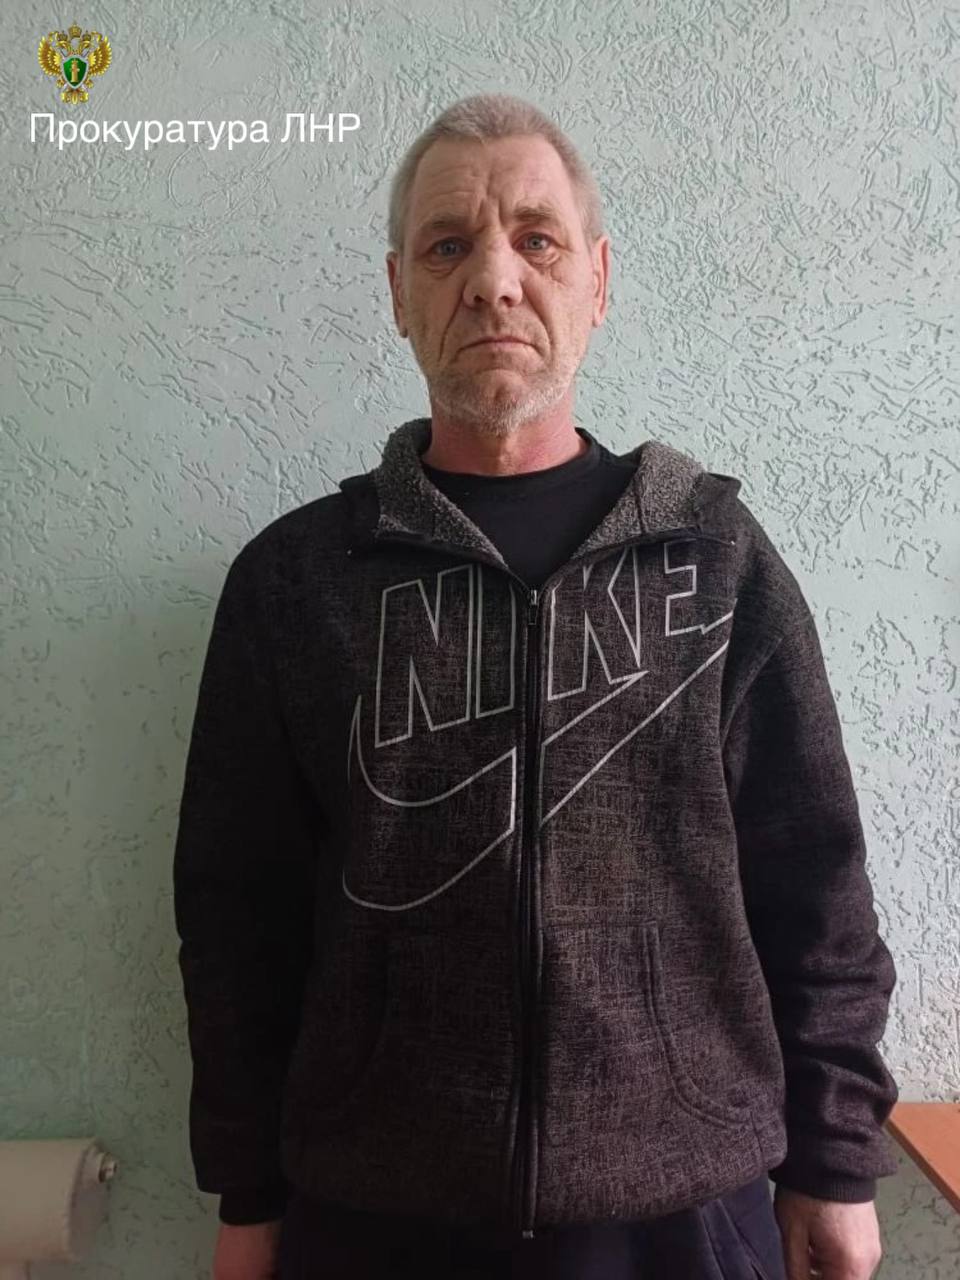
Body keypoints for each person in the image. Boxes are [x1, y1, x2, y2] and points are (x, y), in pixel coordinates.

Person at [173, 93, 899, 1280]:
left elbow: (815, 874)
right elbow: (236, 919)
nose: (494, 280)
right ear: (400, 291)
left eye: (537, 240)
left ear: (596, 281)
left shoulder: (715, 560)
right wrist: (247, 1190)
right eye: (448, 245)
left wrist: (836, 1158)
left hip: (685, 1213)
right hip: (372, 1212)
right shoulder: (297, 582)